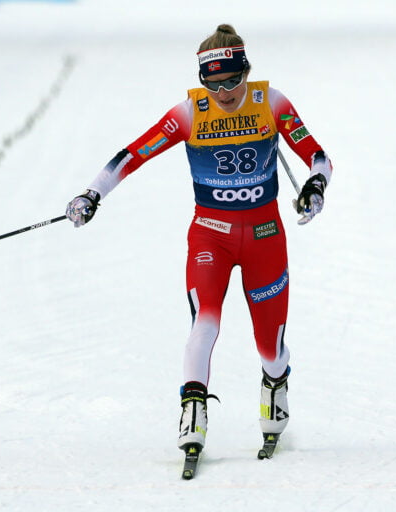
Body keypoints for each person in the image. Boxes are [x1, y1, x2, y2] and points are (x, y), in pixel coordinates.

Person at [65, 24, 332, 455]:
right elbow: (134, 153)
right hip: (212, 235)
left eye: (232, 81)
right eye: (213, 83)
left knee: (269, 346)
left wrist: (315, 187)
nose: (224, 93)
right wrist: (92, 193)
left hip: (265, 236)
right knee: (205, 321)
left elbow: (317, 155)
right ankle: (193, 408)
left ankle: (276, 380)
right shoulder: (190, 112)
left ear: (246, 72)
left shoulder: (272, 102)